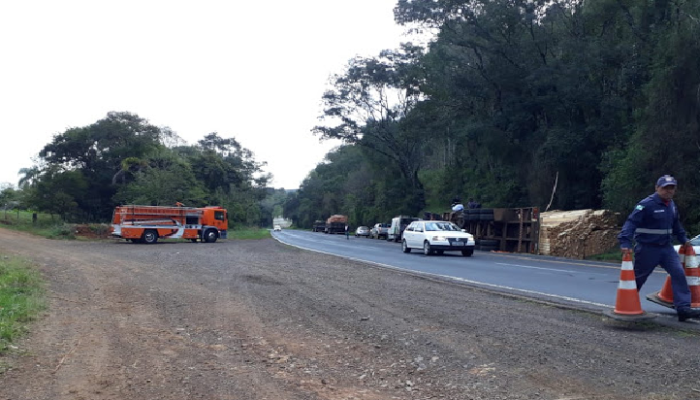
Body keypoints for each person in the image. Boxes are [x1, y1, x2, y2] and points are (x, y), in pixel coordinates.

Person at [618, 175, 700, 322]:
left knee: (679, 274)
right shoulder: (646, 205)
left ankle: (683, 309)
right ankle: (626, 305)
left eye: (671, 188)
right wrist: (625, 243)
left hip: (666, 249)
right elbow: (630, 223)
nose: (668, 191)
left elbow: (676, 225)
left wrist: (684, 240)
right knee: (637, 279)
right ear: (657, 188)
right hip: (647, 249)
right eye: (665, 188)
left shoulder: (672, 205)